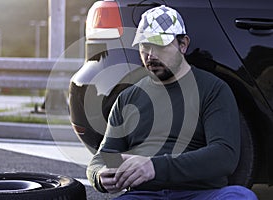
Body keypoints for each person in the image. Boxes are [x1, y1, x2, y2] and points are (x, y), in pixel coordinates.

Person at [86, 5, 258, 200]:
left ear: (183, 44)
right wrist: (100, 174)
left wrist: (154, 167)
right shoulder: (127, 98)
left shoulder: (213, 90)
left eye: (160, 45)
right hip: (144, 194)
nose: (150, 55)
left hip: (202, 194)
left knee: (240, 196)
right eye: (145, 46)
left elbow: (224, 156)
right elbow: (105, 155)